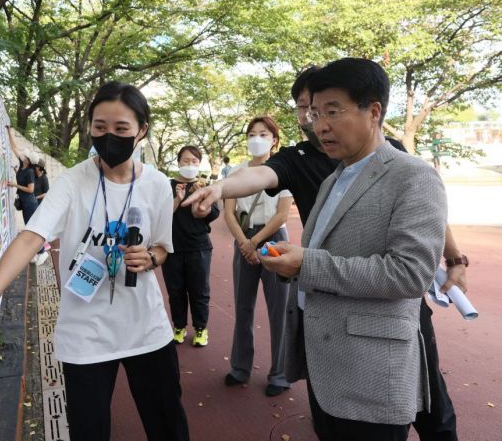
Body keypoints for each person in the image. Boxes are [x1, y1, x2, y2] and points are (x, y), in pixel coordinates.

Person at [184, 63, 466, 441]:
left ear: (374, 111)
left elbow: (410, 274)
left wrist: (307, 262)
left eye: (332, 111)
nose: (318, 124)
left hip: (374, 365)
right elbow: (262, 177)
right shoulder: (334, 176)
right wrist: (222, 192)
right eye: (313, 113)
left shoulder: (411, 174)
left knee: (434, 413)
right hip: (328, 360)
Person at [0, 81, 190, 441]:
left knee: (169, 427)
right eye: (100, 127)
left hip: (146, 331)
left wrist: (149, 257)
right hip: (84, 337)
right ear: (89, 127)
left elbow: (162, 248)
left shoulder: (157, 185)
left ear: (142, 130)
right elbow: (30, 237)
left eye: (121, 129)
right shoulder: (72, 182)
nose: (110, 137)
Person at [223, 116, 293, 397]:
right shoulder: (237, 173)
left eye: (263, 133)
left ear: (274, 139)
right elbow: (228, 213)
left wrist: (253, 243)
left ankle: (280, 373)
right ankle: (240, 367)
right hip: (244, 240)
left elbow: (282, 214)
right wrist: (245, 243)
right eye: (252, 133)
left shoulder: (285, 171)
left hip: (274, 241)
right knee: (242, 307)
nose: (256, 138)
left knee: (279, 310)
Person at [162, 145, 220, 347]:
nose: (190, 165)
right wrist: (178, 200)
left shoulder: (204, 186)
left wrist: (202, 200)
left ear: (199, 163)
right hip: (172, 248)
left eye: (194, 161)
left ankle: (201, 328)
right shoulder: (167, 186)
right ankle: (179, 327)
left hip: (199, 247)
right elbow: (160, 216)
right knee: (175, 290)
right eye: (185, 161)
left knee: (199, 291)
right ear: (178, 162)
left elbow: (213, 215)